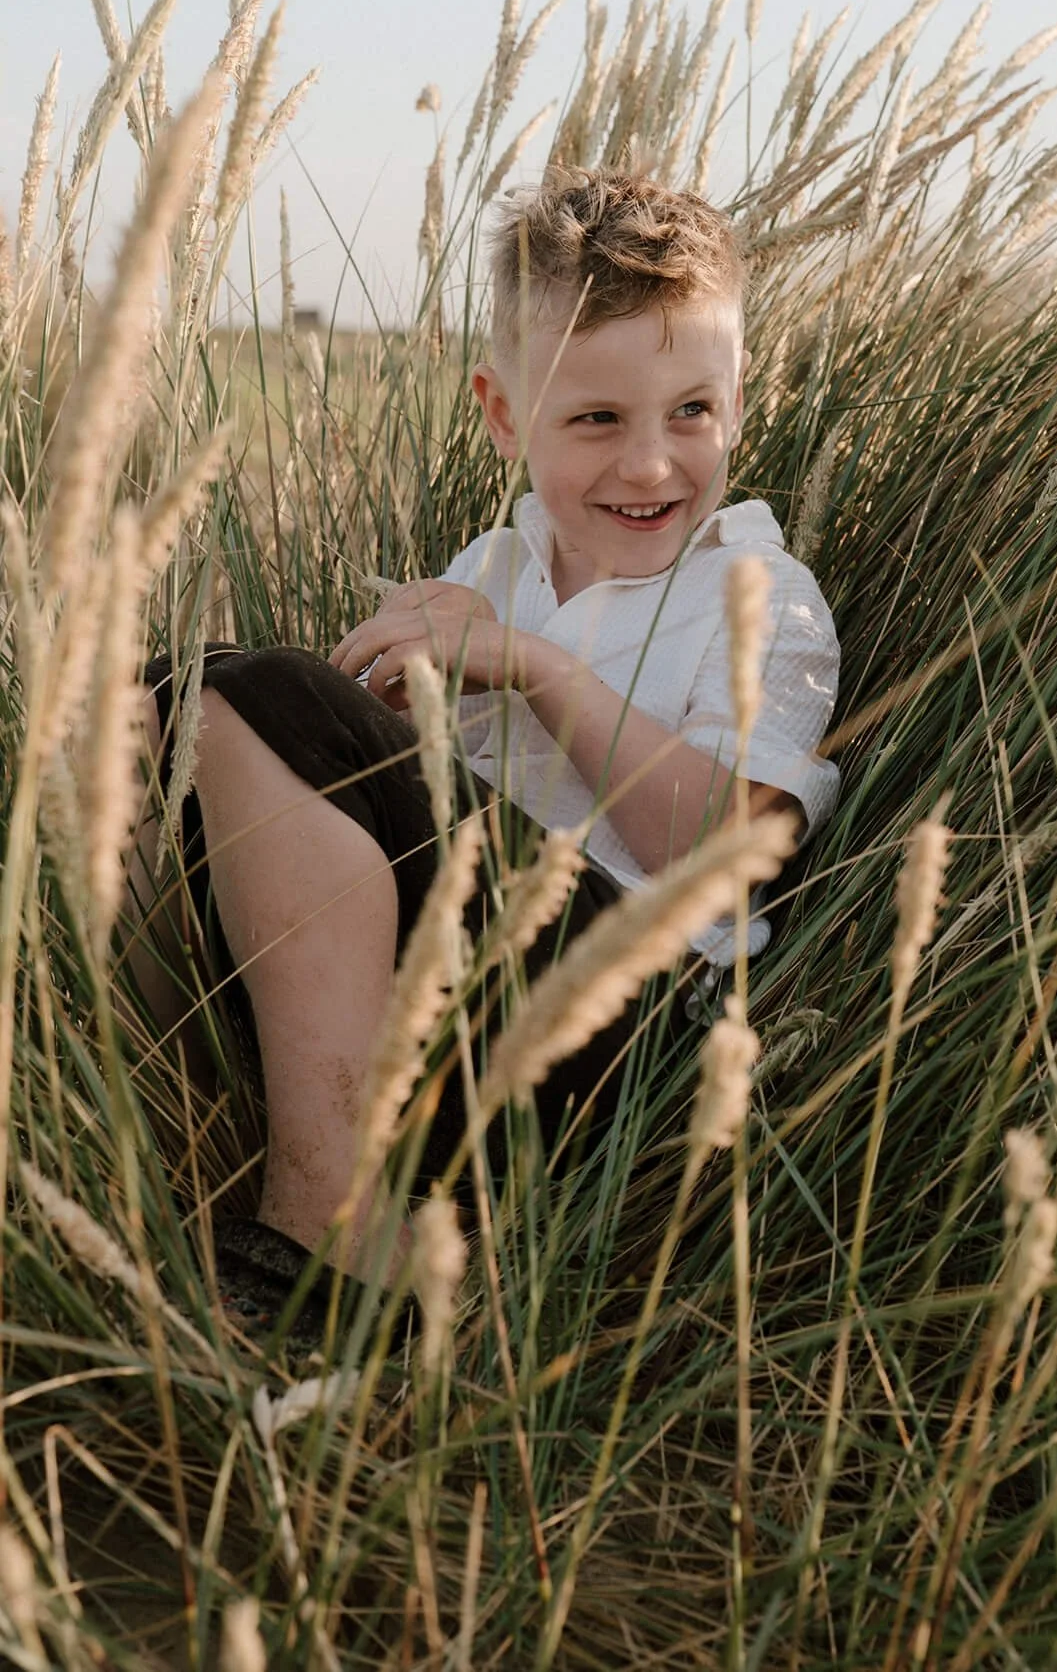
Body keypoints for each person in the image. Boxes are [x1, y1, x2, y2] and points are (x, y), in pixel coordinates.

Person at [129, 167, 839, 1327]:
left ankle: (334, 1218)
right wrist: (387, 718)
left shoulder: (764, 596)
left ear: (740, 398)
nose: (652, 463)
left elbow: (722, 849)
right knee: (177, 706)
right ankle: (168, 1111)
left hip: (616, 1027)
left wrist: (540, 670)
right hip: (442, 989)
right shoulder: (487, 574)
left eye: (693, 412)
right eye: (598, 419)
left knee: (255, 692)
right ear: (506, 416)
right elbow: (380, 784)